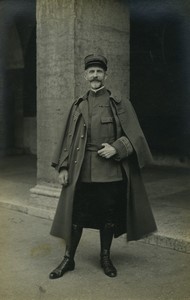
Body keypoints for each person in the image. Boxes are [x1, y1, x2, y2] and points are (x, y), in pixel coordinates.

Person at [49, 54, 157, 279]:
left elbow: (136, 136)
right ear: (85, 75)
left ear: (105, 74)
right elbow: (68, 139)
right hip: (81, 172)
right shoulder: (78, 104)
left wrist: (117, 148)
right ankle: (69, 259)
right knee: (76, 217)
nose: (95, 75)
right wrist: (63, 167)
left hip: (110, 172)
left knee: (108, 217)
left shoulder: (119, 102)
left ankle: (105, 257)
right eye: (91, 72)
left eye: (99, 71)